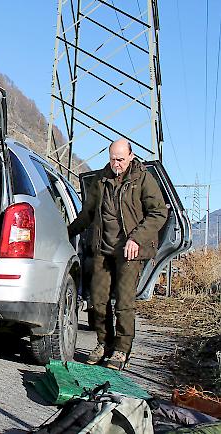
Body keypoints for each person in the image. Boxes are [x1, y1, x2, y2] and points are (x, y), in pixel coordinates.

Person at [68, 138, 167, 370]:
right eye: (113, 159)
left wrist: (136, 238)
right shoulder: (101, 179)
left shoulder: (142, 178)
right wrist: (66, 232)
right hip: (103, 248)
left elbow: (158, 213)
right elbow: (88, 213)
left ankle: (122, 350)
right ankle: (104, 343)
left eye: (121, 159)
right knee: (98, 300)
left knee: (124, 302)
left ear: (131, 156)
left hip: (130, 250)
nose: (116, 164)